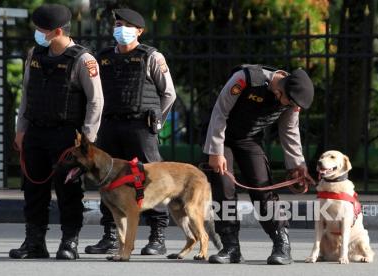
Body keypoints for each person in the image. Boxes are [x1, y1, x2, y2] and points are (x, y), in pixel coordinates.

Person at [9, 4, 104, 260]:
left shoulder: (83, 60)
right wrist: (21, 130)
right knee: (33, 189)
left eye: (42, 29)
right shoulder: (34, 55)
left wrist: (87, 139)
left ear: (57, 31)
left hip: (67, 136)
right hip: (36, 132)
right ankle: (34, 242)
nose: (38, 33)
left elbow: (96, 101)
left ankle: (69, 242)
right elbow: (27, 94)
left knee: (69, 190)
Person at [84, 8, 176, 255]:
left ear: (139, 31)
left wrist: (157, 123)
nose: (120, 29)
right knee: (107, 180)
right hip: (110, 126)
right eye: (117, 24)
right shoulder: (102, 57)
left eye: (126, 25)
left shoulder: (151, 57)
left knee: (149, 178)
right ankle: (111, 235)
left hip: (140, 126)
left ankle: (157, 236)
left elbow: (169, 94)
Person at [203, 64, 316, 264]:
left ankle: (282, 244)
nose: (290, 106)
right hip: (223, 138)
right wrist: (215, 151)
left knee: (263, 188)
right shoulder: (245, 79)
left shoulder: (291, 99)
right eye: (288, 101)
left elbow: (290, 131)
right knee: (223, 188)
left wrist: (297, 165)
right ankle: (231, 248)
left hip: (248, 140)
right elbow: (220, 112)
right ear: (280, 89)